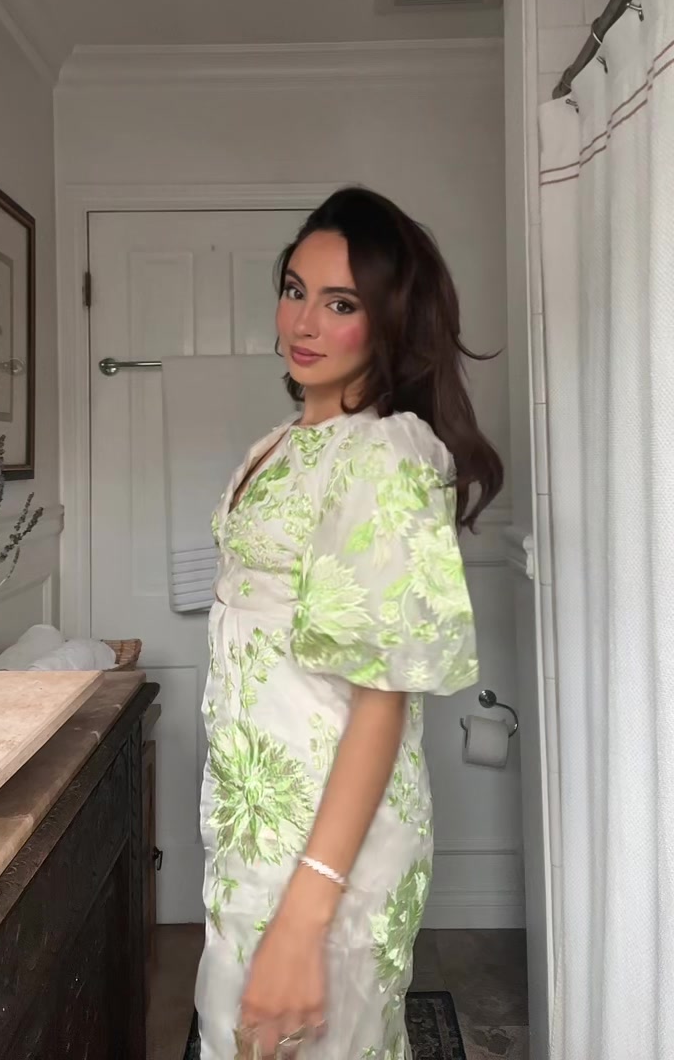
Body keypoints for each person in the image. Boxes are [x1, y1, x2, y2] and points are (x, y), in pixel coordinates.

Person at [195, 187, 503, 1059]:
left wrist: (306, 912)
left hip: (330, 846)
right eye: (295, 290)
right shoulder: (274, 445)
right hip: (258, 820)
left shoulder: (385, 453)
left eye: (341, 303)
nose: (303, 321)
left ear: (391, 321)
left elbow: (382, 701)